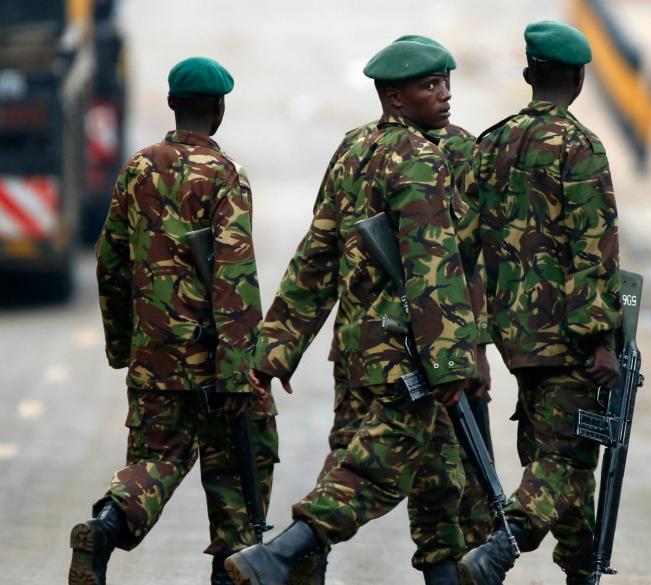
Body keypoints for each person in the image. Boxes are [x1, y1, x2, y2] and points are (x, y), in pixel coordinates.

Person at [223, 40, 480, 585]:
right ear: (395, 96)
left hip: (360, 351)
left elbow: (315, 259)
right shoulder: (420, 159)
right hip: (407, 358)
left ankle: (301, 567)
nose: (445, 95)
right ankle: (280, 555)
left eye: (445, 83)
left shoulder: (353, 150)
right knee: (371, 472)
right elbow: (432, 266)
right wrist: (452, 363)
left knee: (439, 484)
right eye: (429, 86)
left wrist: (275, 349)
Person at [67, 57, 278, 585]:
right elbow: (234, 279)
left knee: (155, 463)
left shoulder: (137, 169)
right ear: (220, 108)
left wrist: (125, 346)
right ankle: (230, 572)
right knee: (237, 478)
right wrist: (237, 373)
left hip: (155, 359)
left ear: (171, 105)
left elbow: (110, 261)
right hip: (214, 364)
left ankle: (105, 527)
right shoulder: (225, 176)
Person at [459, 21, 622, 585]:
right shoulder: (580, 145)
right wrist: (601, 338)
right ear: (578, 78)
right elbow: (594, 247)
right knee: (567, 460)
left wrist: (480, 341)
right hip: (572, 337)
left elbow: (468, 254)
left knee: (559, 457)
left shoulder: (488, 145)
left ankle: (581, 573)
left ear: (530, 73)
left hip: (515, 338)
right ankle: (500, 548)